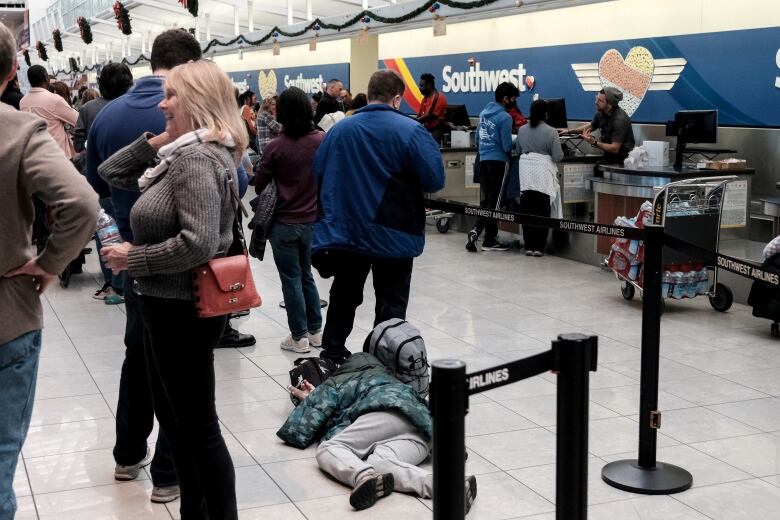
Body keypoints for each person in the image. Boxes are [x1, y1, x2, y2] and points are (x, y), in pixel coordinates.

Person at [98, 59, 246, 520]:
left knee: (197, 427)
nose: (162, 103)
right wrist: (157, 141)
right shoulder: (181, 153)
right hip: (165, 305)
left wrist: (131, 259)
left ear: (198, 101)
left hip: (180, 308)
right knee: (181, 425)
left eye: (171, 96)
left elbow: (201, 242)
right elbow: (110, 171)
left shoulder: (197, 158)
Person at [85, 29, 206, 505]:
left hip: (131, 259)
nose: (164, 105)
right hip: (169, 269)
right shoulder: (199, 135)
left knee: (138, 357)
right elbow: (209, 227)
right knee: (177, 373)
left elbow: (99, 177)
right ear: (190, 65)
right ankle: (168, 472)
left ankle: (127, 452)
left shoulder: (107, 113)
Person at [0, 23, 99, 520]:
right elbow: (80, 202)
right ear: (10, 70)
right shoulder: (15, 129)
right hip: (7, 311)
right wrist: (49, 265)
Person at [311, 70, 445, 365]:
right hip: (394, 231)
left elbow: (318, 172)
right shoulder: (410, 131)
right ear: (397, 99)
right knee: (391, 301)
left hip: (348, 234)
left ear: (368, 94)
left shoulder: (340, 130)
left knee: (344, 295)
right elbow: (434, 179)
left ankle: (332, 352)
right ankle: (385, 360)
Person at [277, 352, 477, 512]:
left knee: (329, 448)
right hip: (425, 430)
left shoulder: (339, 381)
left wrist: (309, 399)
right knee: (380, 462)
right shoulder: (394, 381)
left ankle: (362, 476)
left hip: (385, 413)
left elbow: (299, 430)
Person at [255, 87, 324, 354]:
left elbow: (260, 184)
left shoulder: (275, 147)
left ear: (281, 113)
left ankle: (299, 338)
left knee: (291, 278)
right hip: (312, 221)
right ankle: (316, 332)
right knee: (306, 274)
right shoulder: (320, 140)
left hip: (283, 224)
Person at [73, 63, 134, 303]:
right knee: (131, 229)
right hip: (133, 182)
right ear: (129, 82)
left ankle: (112, 282)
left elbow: (79, 144)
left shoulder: (89, 109)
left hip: (99, 181)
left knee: (105, 231)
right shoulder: (135, 108)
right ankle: (131, 280)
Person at [465, 81, 519, 253]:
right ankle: (476, 231)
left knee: (488, 200)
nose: (514, 102)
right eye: (512, 99)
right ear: (505, 99)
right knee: (495, 204)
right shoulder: (505, 117)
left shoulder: (483, 113)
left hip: (483, 161)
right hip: (498, 163)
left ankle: (489, 239)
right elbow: (506, 146)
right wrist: (516, 141)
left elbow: (479, 139)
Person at [516, 99, 564, 257]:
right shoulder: (551, 131)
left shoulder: (522, 130)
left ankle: (528, 245)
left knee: (527, 208)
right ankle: (539, 247)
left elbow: (518, 150)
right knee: (542, 209)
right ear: (546, 113)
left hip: (525, 173)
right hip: (542, 173)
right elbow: (558, 156)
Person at [562, 86, 635, 175]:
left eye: (600, 101)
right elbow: (590, 126)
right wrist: (569, 131)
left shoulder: (620, 120)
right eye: (596, 98)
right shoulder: (601, 113)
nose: (596, 102)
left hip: (621, 157)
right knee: (584, 160)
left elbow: (614, 148)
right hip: (608, 155)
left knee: (598, 167)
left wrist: (594, 142)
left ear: (610, 104)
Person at [20, 64, 79, 159]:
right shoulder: (54, 99)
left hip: (35, 155)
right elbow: (77, 120)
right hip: (57, 155)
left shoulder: (23, 102)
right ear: (46, 77)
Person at [416, 73, 448, 143]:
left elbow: (429, 116)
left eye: (421, 86)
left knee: (428, 144)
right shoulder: (425, 98)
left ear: (429, 85)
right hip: (428, 129)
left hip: (438, 129)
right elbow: (419, 115)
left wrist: (414, 121)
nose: (419, 88)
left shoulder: (437, 97)